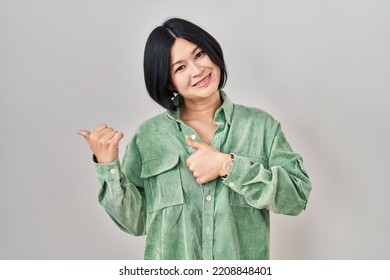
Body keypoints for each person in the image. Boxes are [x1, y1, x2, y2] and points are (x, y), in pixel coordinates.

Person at [78, 17, 312, 260]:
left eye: (199, 55)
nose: (197, 70)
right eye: (180, 67)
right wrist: (108, 167)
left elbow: (296, 197)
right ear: (167, 81)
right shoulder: (148, 137)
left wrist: (228, 166)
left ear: (212, 51)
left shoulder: (260, 126)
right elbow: (135, 222)